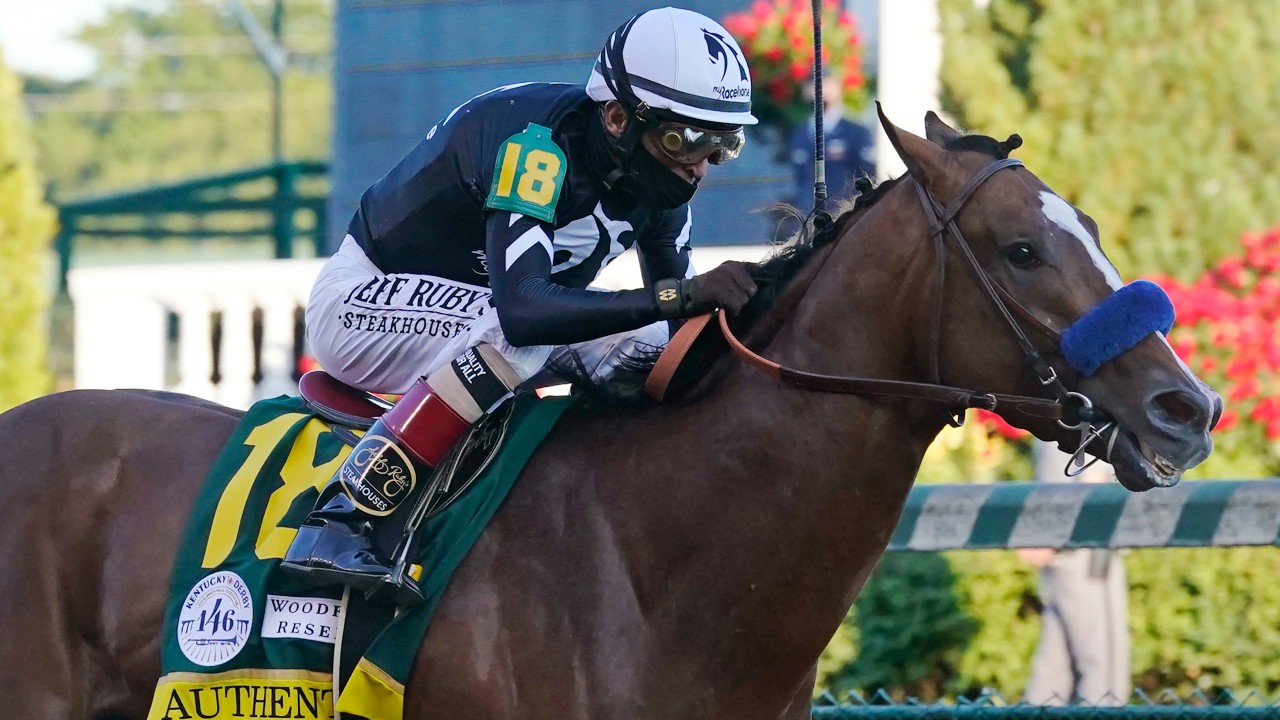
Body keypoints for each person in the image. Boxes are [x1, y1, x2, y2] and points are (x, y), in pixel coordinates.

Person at [280, 7, 762, 606]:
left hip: (471, 317)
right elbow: (525, 311)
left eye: (723, 144)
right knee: (519, 337)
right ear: (617, 116)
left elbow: (679, 333)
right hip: (362, 301)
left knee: (652, 354)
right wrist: (682, 294)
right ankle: (342, 517)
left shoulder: (660, 186)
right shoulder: (536, 148)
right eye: (686, 139)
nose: (701, 164)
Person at [1019, 443, 1132, 706]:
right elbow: (1096, 486)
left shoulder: (1058, 409)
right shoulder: (1088, 412)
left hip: (1064, 554)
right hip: (1085, 554)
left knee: (1053, 674)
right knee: (1105, 679)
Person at [785, 72, 875, 209]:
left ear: (837, 88)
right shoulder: (800, 133)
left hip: (842, 215)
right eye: (813, 84)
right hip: (806, 213)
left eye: (825, 83)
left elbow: (868, 175)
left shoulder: (855, 133)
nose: (819, 89)